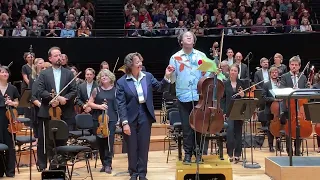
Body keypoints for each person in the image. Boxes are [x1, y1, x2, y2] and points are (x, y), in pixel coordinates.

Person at [116, 52, 174, 180]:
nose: (140, 64)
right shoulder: (121, 82)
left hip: (145, 114)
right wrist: (124, 122)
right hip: (130, 117)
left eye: (141, 61)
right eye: (137, 62)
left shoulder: (147, 76)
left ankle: (142, 173)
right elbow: (121, 104)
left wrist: (166, 76)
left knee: (143, 145)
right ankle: (133, 172)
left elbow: (159, 88)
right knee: (132, 146)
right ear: (130, 65)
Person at [168, 31, 214, 164]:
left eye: (191, 36)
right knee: (187, 128)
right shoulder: (175, 58)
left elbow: (211, 72)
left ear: (194, 41)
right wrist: (169, 74)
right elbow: (172, 80)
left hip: (200, 96)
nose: (189, 36)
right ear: (181, 41)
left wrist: (208, 73)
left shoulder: (201, 55)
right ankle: (187, 154)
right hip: (183, 97)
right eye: (186, 36)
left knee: (199, 126)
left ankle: (198, 152)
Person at [37, 46, 77, 170]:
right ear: (50, 58)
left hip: (64, 112)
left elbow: (74, 90)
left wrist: (64, 99)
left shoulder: (69, 73)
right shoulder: (44, 73)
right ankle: (50, 167)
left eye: (60, 55)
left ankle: (61, 168)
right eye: (56, 55)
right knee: (49, 141)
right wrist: (52, 98)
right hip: (48, 112)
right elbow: (40, 90)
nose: (59, 57)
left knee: (62, 141)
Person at [88, 69, 118, 174]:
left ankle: (108, 164)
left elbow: (117, 105)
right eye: (102, 76)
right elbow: (89, 103)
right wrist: (99, 106)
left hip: (111, 119)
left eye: (106, 75)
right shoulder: (96, 90)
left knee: (109, 142)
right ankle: (103, 163)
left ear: (111, 78)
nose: (104, 77)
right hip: (98, 119)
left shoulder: (115, 90)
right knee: (100, 142)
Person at [280, 56, 308, 156]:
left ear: (299, 66)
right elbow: (282, 90)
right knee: (289, 129)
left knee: (299, 128)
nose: (294, 67)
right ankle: (289, 150)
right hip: (288, 107)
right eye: (292, 65)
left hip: (300, 107)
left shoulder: (303, 77)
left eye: (296, 65)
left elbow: (305, 91)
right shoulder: (284, 77)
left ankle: (297, 150)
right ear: (289, 65)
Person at [221, 64, 245, 163]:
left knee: (238, 133)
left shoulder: (241, 84)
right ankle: (230, 153)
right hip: (229, 111)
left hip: (239, 111)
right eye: (232, 70)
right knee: (230, 132)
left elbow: (247, 97)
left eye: (235, 70)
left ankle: (238, 154)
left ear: (237, 72)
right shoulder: (225, 84)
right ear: (229, 72)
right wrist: (223, 112)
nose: (233, 72)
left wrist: (243, 95)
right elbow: (222, 99)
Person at [0, 66, 20, 177]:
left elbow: (18, 102)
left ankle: (10, 171)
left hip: (9, 119)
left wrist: (12, 103)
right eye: (2, 72)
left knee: (10, 145)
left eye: (6, 72)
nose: (5, 74)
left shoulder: (12, 88)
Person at [262, 67, 282, 152]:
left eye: (276, 72)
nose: (274, 74)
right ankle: (270, 146)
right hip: (270, 109)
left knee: (279, 126)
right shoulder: (266, 84)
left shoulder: (280, 84)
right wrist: (274, 99)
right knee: (270, 128)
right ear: (270, 74)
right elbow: (263, 97)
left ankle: (278, 145)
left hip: (280, 108)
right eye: (273, 72)